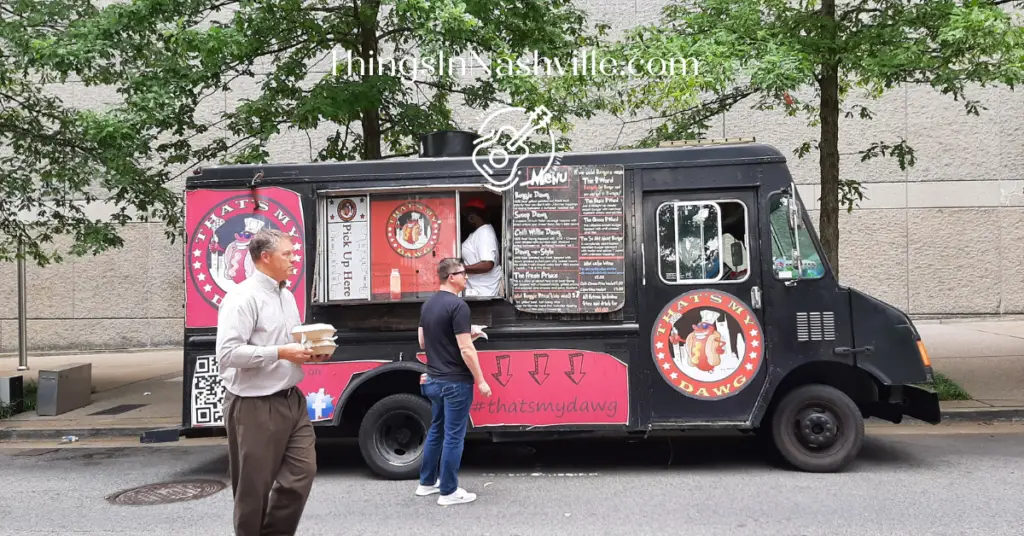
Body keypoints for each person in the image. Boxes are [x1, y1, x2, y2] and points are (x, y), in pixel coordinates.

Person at [216, 228, 325, 535]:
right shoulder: (242, 298)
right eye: (287, 254)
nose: (294, 259)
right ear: (265, 258)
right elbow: (227, 354)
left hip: (292, 400)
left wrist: (308, 352)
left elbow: (289, 343)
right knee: (253, 492)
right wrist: (279, 352)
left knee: (302, 475)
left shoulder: (286, 295)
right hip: (254, 405)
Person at [415, 257, 493, 505]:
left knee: (436, 430)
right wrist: (481, 380)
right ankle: (448, 492)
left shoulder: (428, 305)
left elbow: (423, 342)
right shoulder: (459, 307)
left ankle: (427, 483)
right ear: (452, 277)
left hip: (434, 379)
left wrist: (466, 331)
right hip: (455, 381)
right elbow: (466, 350)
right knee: (454, 436)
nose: (466, 277)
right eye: (463, 273)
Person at [459, 198, 502, 297]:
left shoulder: (484, 232)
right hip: (477, 289)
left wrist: (461, 269)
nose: (465, 218)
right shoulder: (479, 232)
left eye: (467, 215)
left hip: (483, 292)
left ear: (473, 217)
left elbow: (487, 264)